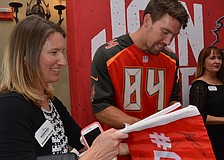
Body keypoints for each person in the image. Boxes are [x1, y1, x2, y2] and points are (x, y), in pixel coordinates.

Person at [0, 15, 129, 160]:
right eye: (54, 52)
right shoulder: (9, 107)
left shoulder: (51, 102)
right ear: (26, 57)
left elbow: (80, 141)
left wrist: (131, 146)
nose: (63, 61)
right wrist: (94, 155)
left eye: (62, 52)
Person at [90, 0, 189, 130]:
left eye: (174, 36)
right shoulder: (108, 55)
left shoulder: (171, 59)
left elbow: (173, 99)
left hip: (159, 143)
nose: (168, 41)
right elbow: (100, 107)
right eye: (165, 32)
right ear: (147, 20)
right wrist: (143, 127)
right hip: (120, 144)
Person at [189, 46, 224, 160]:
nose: (217, 61)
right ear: (203, 63)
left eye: (219, 58)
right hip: (211, 138)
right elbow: (199, 117)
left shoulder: (222, 83)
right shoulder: (199, 86)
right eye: (212, 58)